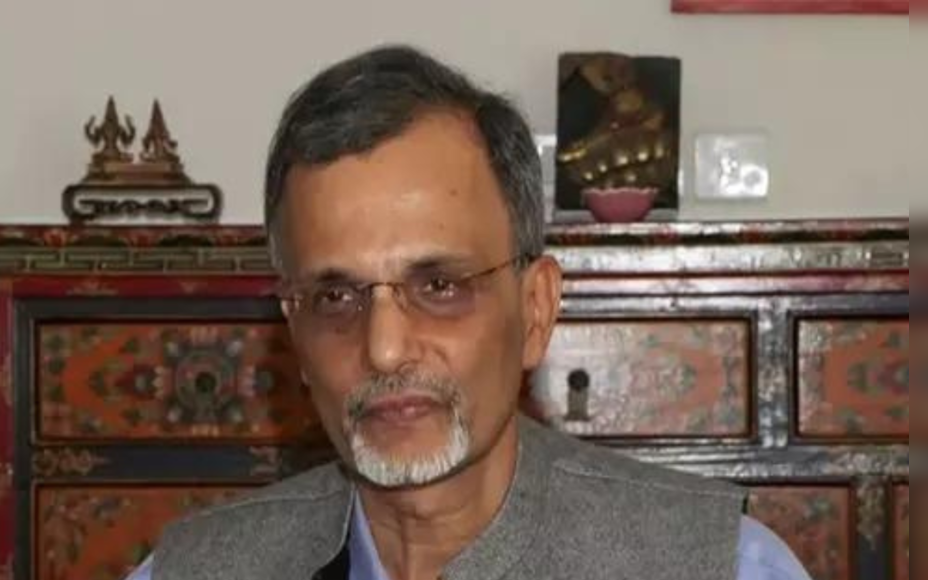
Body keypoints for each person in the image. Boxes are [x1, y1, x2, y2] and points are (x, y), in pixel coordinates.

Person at [126, 45, 813, 580]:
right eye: (336, 297)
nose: (385, 348)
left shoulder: (719, 567)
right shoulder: (194, 570)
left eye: (439, 286)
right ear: (293, 335)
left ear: (535, 310)